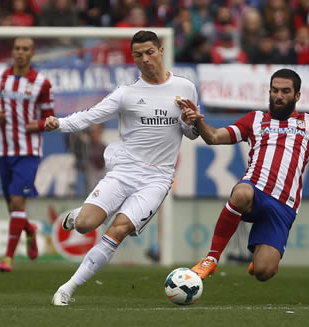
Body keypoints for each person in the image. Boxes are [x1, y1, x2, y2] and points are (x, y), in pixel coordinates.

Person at [45, 30, 200, 306]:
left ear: (161, 51)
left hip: (157, 179)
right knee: (84, 225)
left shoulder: (185, 88)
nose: (146, 60)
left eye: (150, 52)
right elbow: (90, 115)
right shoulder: (127, 94)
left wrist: (192, 122)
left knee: (118, 229)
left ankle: (67, 289)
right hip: (124, 172)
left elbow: (190, 133)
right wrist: (60, 123)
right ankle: (80, 214)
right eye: (138, 55)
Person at [180, 68, 309, 282]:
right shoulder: (255, 120)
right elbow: (214, 137)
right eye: (275, 90)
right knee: (241, 193)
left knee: (263, 272)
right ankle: (211, 259)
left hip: (283, 206)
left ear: (297, 95)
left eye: (286, 91)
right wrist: (198, 120)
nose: (279, 96)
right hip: (255, 190)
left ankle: (264, 262)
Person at [0, 37, 55, 272]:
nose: (20, 52)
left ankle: (8, 258)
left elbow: (49, 117)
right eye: (17, 48)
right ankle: (29, 230)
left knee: (16, 200)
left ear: (32, 53)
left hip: (28, 151)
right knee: (12, 206)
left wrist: (40, 125)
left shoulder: (42, 83)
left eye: (25, 49)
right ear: (12, 52)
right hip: (3, 150)